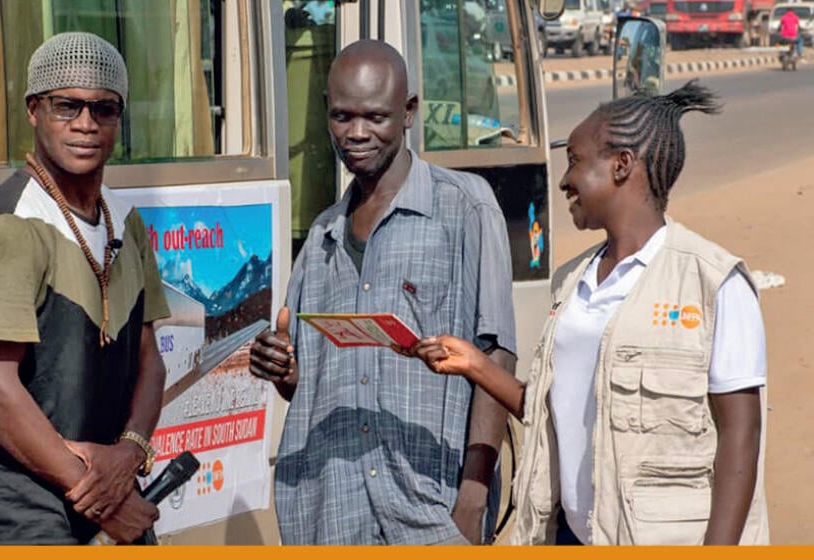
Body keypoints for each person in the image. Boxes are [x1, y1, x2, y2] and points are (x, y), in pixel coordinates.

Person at [404, 80, 769, 545]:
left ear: (621, 166)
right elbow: (553, 412)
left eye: (575, 161)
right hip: (572, 537)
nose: (563, 180)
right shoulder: (571, 282)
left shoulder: (714, 283)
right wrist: (473, 364)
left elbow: (742, 435)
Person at [249, 39, 517, 545]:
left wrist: (473, 497)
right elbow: (309, 384)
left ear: (409, 111)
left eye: (375, 117)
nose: (356, 134)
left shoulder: (464, 208)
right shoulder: (323, 239)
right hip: (330, 511)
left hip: (430, 509)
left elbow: (496, 356)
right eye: (341, 117)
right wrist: (284, 369)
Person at [0, 31, 170, 545]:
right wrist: (100, 495)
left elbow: (150, 358)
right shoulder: (13, 224)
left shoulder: (127, 221)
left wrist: (131, 450)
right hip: (20, 513)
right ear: (33, 111)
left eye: (104, 109)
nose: (86, 124)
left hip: (109, 491)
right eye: (66, 106)